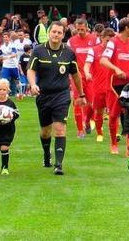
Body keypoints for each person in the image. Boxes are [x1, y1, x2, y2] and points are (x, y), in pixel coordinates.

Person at [27, 21, 84, 175]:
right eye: (54, 32)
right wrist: (33, 85)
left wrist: (81, 94)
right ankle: (47, 154)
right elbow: (31, 70)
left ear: (63, 35)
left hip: (62, 95)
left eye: (59, 33)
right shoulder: (38, 50)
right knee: (45, 131)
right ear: (49, 33)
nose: (56, 35)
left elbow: (76, 75)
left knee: (59, 130)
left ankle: (58, 164)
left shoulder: (69, 53)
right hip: (43, 95)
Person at [100, 17, 129, 154]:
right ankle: (113, 144)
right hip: (114, 83)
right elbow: (103, 60)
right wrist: (116, 69)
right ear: (126, 28)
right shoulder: (113, 42)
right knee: (114, 115)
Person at [67, 19, 99, 138]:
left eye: (82, 29)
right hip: (77, 76)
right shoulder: (71, 41)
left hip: (91, 76)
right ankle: (80, 130)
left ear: (87, 28)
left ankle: (87, 121)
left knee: (91, 104)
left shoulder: (94, 39)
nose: (80, 32)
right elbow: (69, 58)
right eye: (78, 29)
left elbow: (98, 56)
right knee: (78, 102)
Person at [83, 27, 115, 142]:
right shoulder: (94, 50)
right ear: (101, 38)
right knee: (98, 109)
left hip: (112, 86)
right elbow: (87, 64)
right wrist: (87, 73)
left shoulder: (114, 51)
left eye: (112, 41)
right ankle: (98, 132)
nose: (109, 43)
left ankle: (114, 134)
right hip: (97, 85)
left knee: (113, 111)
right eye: (107, 40)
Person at [0, 32, 21, 98]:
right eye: (4, 37)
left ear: (9, 38)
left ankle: (20, 93)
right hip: (6, 66)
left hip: (14, 66)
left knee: (17, 81)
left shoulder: (12, 45)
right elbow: (0, 57)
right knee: (3, 80)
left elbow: (14, 54)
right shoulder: (2, 47)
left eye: (6, 37)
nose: (5, 38)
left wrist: (7, 57)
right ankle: (5, 94)